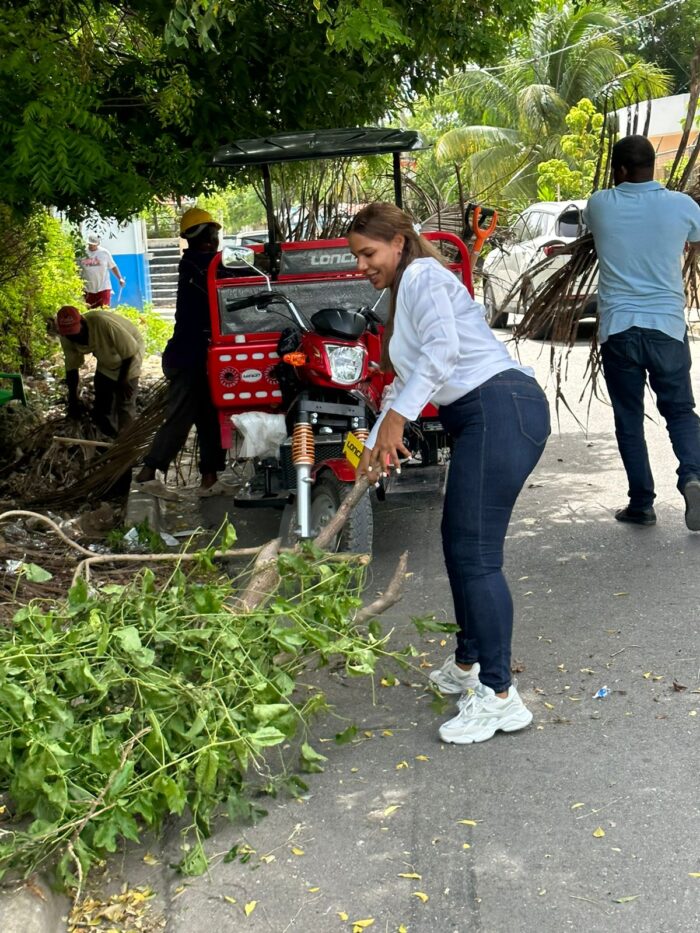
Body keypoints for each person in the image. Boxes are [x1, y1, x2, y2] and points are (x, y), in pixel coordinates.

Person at [348, 203, 550, 745]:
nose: (362, 265)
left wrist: (396, 421)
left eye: (368, 253)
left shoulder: (422, 275)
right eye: (356, 257)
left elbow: (444, 352)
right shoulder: (404, 291)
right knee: (459, 542)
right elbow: (404, 380)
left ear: (397, 241)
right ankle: (468, 664)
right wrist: (371, 447)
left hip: (500, 408)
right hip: (485, 416)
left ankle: (501, 695)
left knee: (476, 553)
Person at [583, 135, 700, 530]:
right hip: (667, 327)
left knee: (629, 418)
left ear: (619, 170)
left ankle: (641, 503)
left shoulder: (599, 205)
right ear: (654, 167)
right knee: (681, 412)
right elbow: (695, 241)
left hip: (620, 330)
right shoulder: (683, 206)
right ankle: (693, 478)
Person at [135, 208, 227, 499]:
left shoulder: (200, 264)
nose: (214, 239)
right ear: (202, 237)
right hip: (188, 360)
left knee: (209, 418)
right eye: (212, 234)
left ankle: (209, 479)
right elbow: (224, 270)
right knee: (180, 418)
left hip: (200, 357)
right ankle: (148, 474)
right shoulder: (198, 266)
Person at [55, 305, 144, 437]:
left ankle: (126, 441)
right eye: (69, 334)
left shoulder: (102, 323)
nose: (73, 338)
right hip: (106, 358)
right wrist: (73, 398)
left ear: (82, 322)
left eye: (75, 332)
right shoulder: (67, 336)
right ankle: (110, 438)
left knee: (125, 402)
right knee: (103, 402)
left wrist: (123, 379)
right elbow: (72, 367)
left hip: (129, 354)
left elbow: (129, 350)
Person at [79, 234, 126, 308]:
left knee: (104, 310)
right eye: (90, 244)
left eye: (94, 245)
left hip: (103, 287)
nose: (91, 246)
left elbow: (113, 266)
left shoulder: (104, 253)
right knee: (89, 311)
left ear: (98, 244)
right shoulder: (82, 253)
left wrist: (120, 278)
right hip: (88, 289)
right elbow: (76, 269)